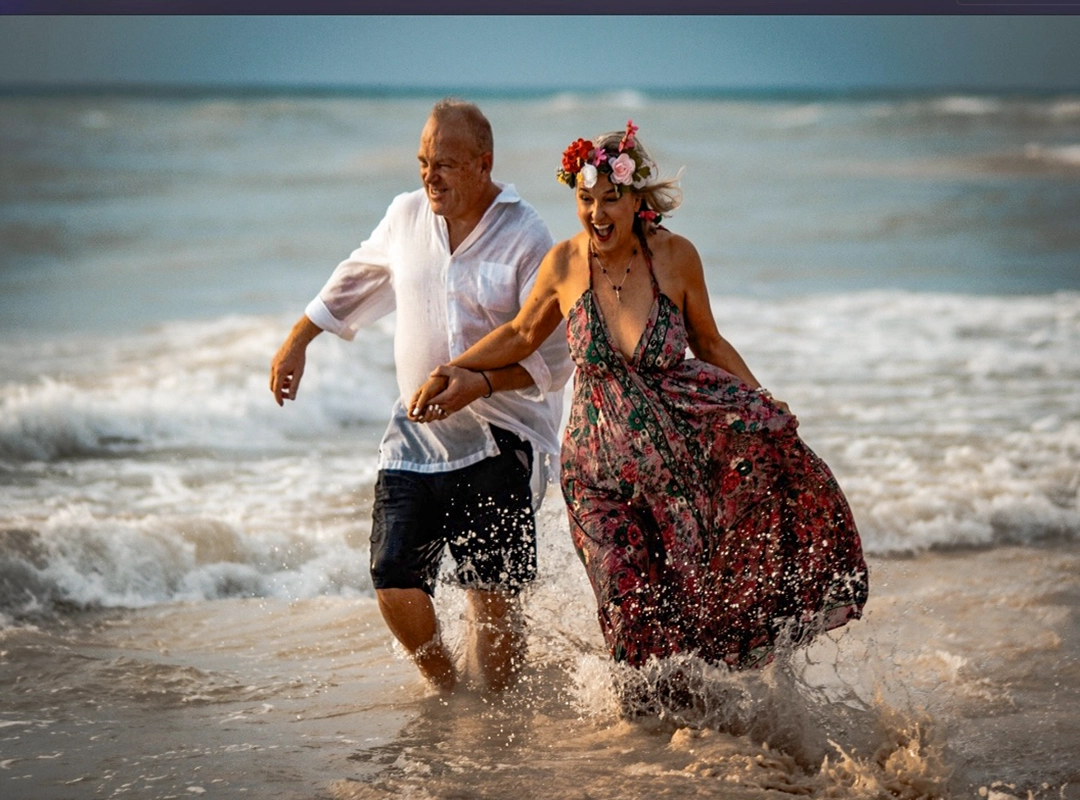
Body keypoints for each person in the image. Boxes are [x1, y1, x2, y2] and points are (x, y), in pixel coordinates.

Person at [409, 120, 868, 677]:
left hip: (676, 471)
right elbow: (521, 334)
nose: (596, 214)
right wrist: (452, 369)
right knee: (628, 607)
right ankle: (638, 726)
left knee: (682, 611)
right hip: (594, 475)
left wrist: (764, 405)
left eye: (610, 199)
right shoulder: (563, 263)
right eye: (584, 200)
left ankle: (683, 733)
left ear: (636, 200)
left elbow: (709, 341)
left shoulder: (676, 258)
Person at [269, 99, 573, 693]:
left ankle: (497, 723)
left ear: (484, 164)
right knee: (392, 578)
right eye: (423, 162)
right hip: (416, 432)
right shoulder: (406, 216)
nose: (429, 176)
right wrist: (299, 338)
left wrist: (480, 383)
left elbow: (557, 357)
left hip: (503, 436)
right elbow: (356, 274)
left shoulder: (527, 235)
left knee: (492, 601)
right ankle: (448, 690)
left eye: (446, 165)